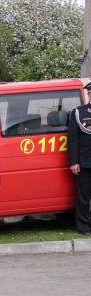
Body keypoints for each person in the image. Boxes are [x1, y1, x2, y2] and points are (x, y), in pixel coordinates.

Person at [66, 83, 91, 235]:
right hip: (85, 162)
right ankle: (84, 227)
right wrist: (73, 162)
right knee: (83, 197)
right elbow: (72, 139)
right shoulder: (78, 112)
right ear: (88, 94)